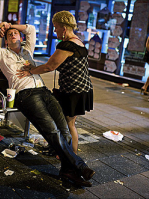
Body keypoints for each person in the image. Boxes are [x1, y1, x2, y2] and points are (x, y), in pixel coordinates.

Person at [0, 22, 95, 187]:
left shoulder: (27, 51)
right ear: (5, 41)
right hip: (25, 95)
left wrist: (11, 25)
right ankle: (79, 166)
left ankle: (67, 171)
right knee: (52, 131)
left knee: (65, 131)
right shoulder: (1, 54)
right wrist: (1, 25)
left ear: (20, 38)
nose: (13, 35)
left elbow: (31, 29)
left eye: (15, 33)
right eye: (9, 34)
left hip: (43, 91)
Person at [17, 11, 93, 155]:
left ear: (64, 28)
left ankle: (72, 158)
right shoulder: (79, 42)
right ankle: (62, 152)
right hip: (81, 89)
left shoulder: (67, 46)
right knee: (66, 123)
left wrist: (31, 71)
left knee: (68, 125)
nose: (54, 30)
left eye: (56, 27)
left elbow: (49, 66)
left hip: (73, 91)